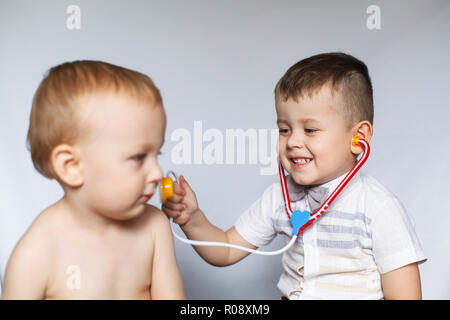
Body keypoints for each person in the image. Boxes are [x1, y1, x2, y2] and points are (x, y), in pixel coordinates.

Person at [163, 52, 426, 300]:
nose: (292, 142)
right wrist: (192, 219)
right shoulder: (279, 197)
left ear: (359, 138)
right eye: (284, 129)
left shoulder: (378, 208)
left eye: (310, 129)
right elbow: (227, 249)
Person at [2, 60, 185, 299]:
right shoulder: (37, 253)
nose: (158, 173)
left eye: (156, 154)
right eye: (139, 157)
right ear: (72, 166)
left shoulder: (154, 227)